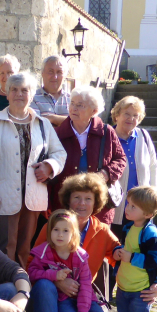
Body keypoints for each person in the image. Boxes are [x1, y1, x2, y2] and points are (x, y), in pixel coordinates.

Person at [31, 173, 157, 312]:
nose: (82, 203)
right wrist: (57, 281)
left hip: (82, 295)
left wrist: (156, 281)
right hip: (50, 294)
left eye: (88, 198)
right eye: (76, 198)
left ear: (96, 202)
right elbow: (32, 262)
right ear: (68, 199)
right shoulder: (55, 225)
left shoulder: (101, 230)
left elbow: (123, 255)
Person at [0, 72, 67, 268]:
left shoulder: (42, 124)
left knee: (24, 247)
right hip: (4, 196)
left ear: (31, 94)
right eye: (14, 90)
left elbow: (60, 153)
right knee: (4, 246)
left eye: (24, 90)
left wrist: (49, 166)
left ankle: (22, 288)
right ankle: (4, 289)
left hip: (33, 195)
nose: (19, 94)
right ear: (8, 94)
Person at [50, 85, 126, 225]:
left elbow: (120, 159)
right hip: (65, 202)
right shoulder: (57, 133)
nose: (73, 108)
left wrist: (106, 173)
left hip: (98, 205)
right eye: (72, 103)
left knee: (96, 241)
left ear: (94, 111)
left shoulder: (106, 131)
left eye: (80, 105)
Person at [109, 96, 157, 236]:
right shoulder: (107, 137)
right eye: (127, 114)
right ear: (117, 115)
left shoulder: (144, 136)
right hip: (115, 206)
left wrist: (154, 195)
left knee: (138, 248)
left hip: (141, 207)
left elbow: (153, 166)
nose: (131, 119)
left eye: (135, 116)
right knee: (116, 249)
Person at [30, 55, 71, 127]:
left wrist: (51, 118)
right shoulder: (32, 97)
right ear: (42, 74)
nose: (55, 76)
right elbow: (36, 125)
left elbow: (79, 123)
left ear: (64, 76)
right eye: (50, 71)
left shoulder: (72, 99)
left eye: (59, 72)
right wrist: (68, 122)